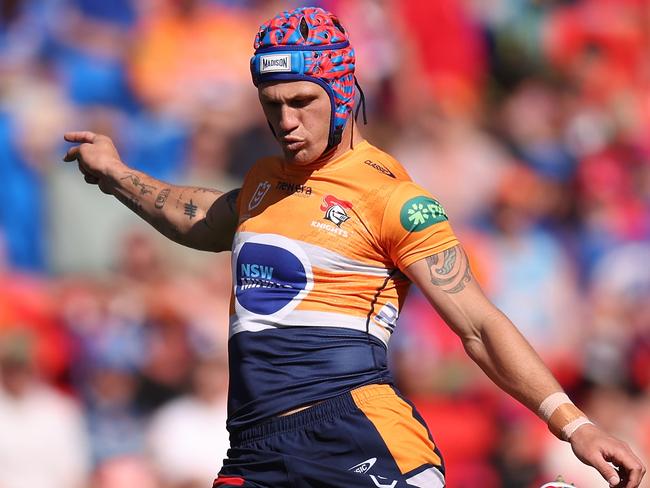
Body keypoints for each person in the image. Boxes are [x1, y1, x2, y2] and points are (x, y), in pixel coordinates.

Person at [63, 6, 646, 488]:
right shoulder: (265, 185)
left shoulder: (391, 198)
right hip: (253, 449)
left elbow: (479, 326)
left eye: (302, 101)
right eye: (272, 104)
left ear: (341, 94)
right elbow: (196, 215)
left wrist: (574, 425)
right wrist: (116, 174)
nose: (286, 121)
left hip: (354, 430)